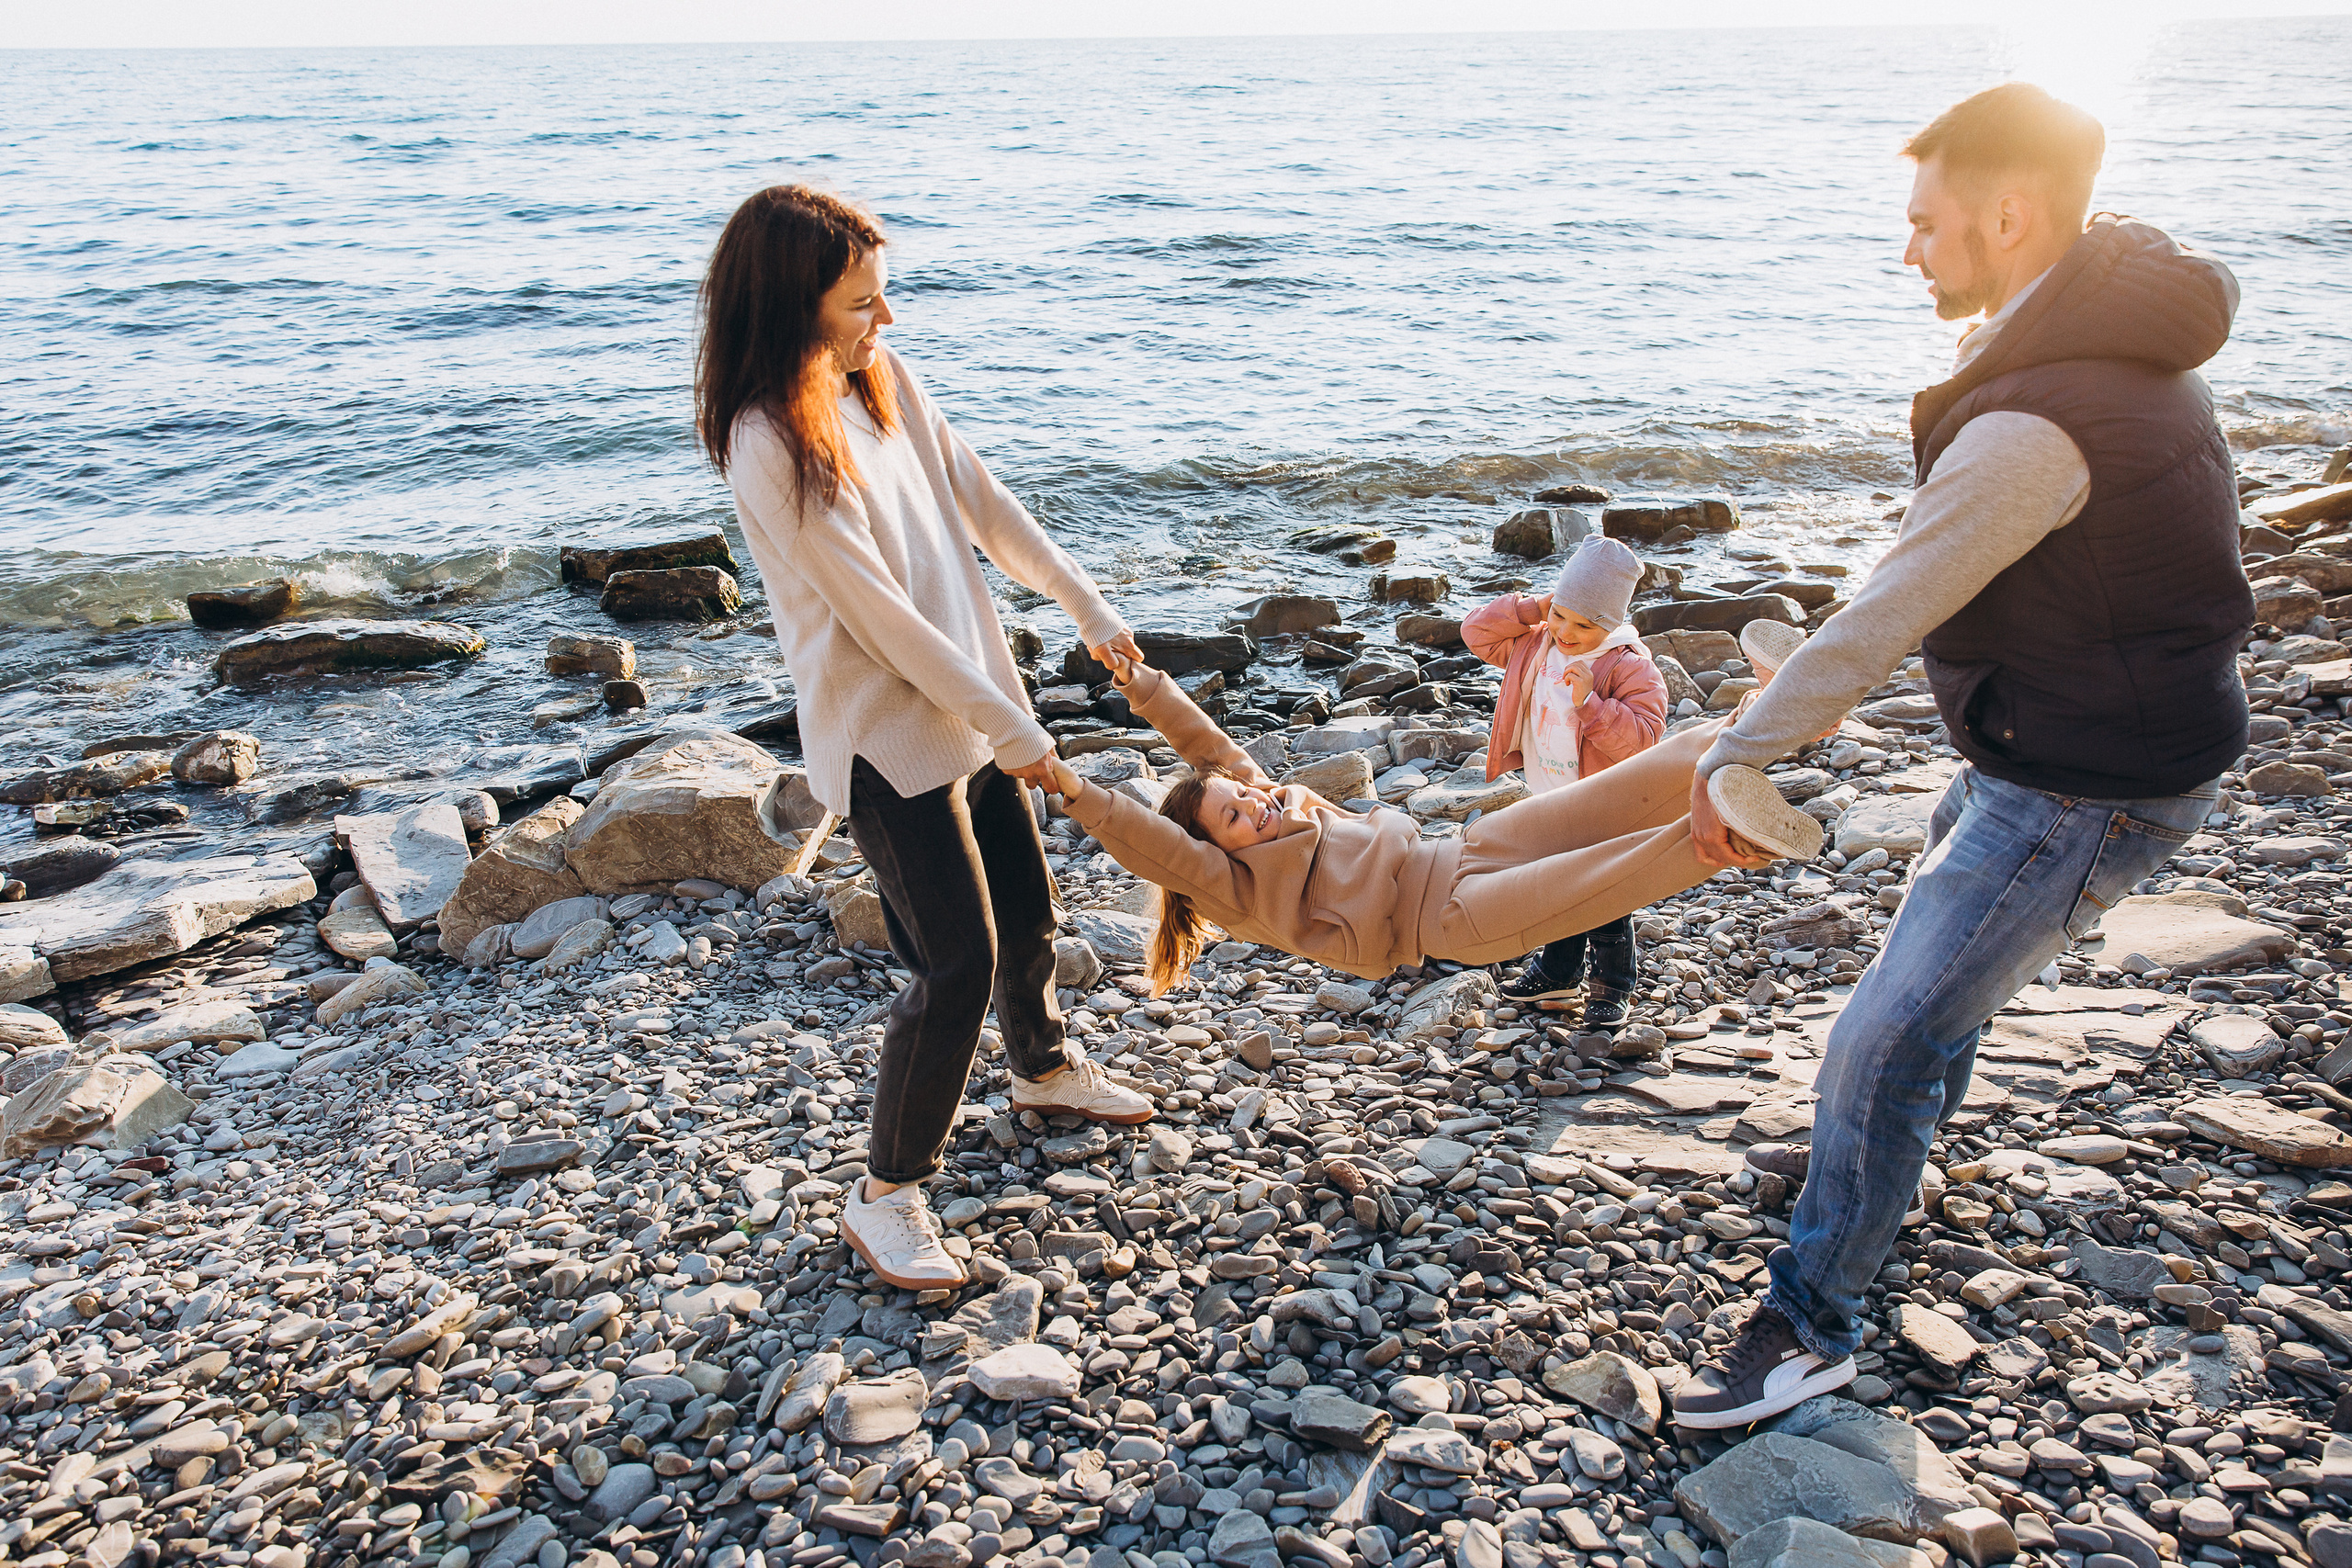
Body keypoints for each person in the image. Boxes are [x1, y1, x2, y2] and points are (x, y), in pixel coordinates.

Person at [1672, 84, 2250, 1429]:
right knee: (1933, 997)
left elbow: (1885, 607)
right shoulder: (2104, 325)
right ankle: (1879, 1172)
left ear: (2009, 212)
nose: (1910, 248)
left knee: (1882, 1034)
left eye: (1926, 222)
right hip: (2051, 735)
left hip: (2086, 784)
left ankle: (1809, 1322)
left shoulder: (2040, 417)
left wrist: (1739, 751)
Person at [695, 184, 1157, 1293]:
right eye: (862, 304)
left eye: (882, 298)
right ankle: (885, 1193)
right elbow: (883, 626)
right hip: (883, 735)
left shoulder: (878, 378)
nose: (885, 323)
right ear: (790, 306)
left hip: (968, 696)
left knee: (1031, 911)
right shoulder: (767, 441)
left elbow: (983, 502)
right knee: (957, 963)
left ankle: (1042, 1070)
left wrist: (1088, 608)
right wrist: (1014, 730)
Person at [1039, 652, 1821, 992]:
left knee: (1615, 795)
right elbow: (1156, 847)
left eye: (1245, 795)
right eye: (1236, 818)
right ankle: (1734, 833)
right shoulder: (1237, 887)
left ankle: (1763, 722)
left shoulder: (1271, 800)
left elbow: (1208, 749)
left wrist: (1140, 682)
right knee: (1607, 874)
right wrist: (1076, 789)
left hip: (1462, 848)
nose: (1257, 803)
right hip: (1451, 917)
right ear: (1220, 851)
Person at [1464, 536, 1669, 1024]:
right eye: (1561, 615)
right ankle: (1558, 974)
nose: (1567, 632)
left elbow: (1644, 738)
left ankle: (1612, 985)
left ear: (1612, 623)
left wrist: (1589, 706)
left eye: (1585, 624)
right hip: (1550, 791)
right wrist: (1532, 607)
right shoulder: (1535, 644)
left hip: (1603, 798)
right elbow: (1476, 632)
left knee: (1603, 894)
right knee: (1558, 884)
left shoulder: (1628, 664)